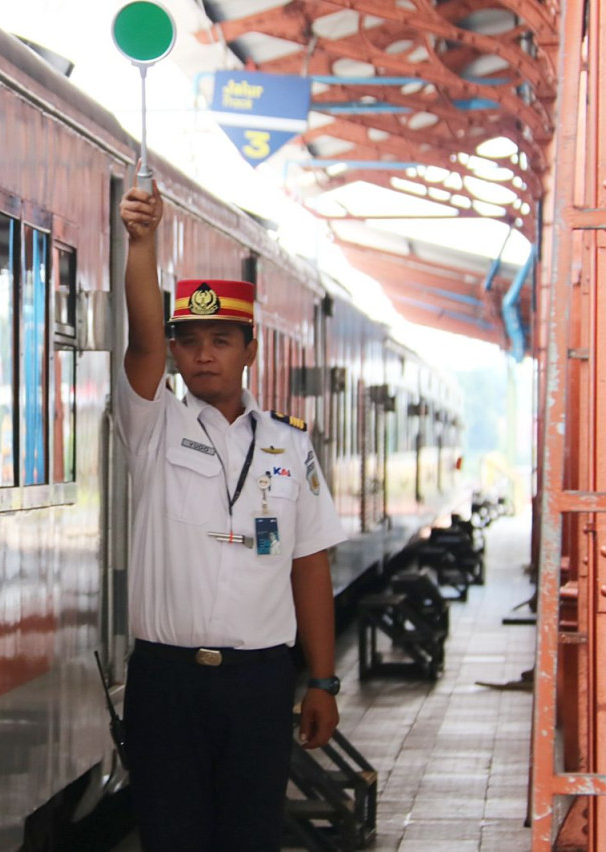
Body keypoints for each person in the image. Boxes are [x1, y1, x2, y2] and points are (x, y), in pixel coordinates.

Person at [115, 182, 347, 852]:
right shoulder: (153, 425)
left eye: (222, 340)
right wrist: (142, 243)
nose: (204, 354)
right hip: (167, 683)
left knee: (251, 837)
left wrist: (323, 681)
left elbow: (309, 562)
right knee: (172, 836)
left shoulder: (288, 444)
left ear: (251, 349)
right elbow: (139, 339)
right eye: (189, 341)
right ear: (175, 351)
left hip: (259, 682)